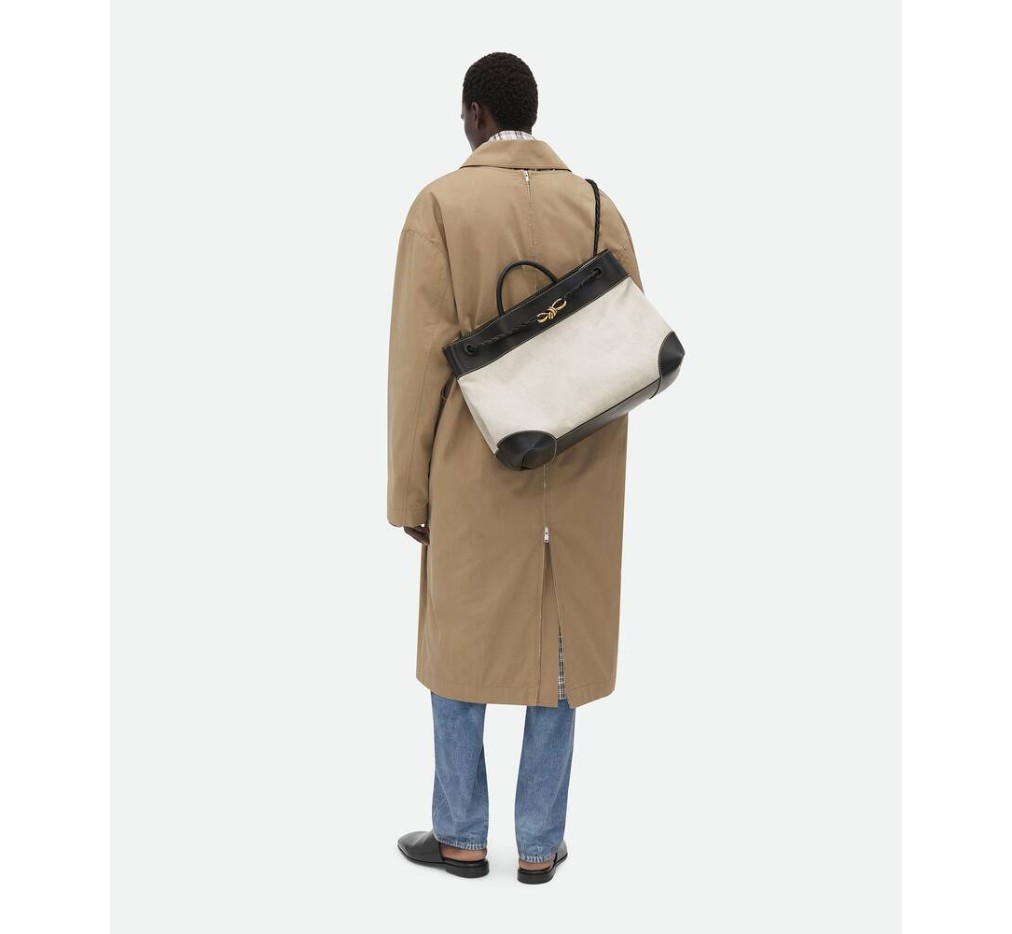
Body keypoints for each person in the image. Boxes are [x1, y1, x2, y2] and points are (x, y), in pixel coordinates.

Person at [386, 52, 644, 884]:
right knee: (559, 639)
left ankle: (461, 835)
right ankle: (540, 845)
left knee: (458, 639)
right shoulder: (597, 206)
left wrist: (409, 492)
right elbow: (629, 346)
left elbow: (417, 365)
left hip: (474, 465)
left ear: (476, 114)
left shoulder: (440, 206)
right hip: (580, 469)